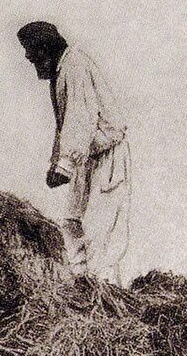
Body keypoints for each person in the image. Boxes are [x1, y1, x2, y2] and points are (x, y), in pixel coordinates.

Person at [16, 20, 131, 283]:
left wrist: (64, 165)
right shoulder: (61, 71)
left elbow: (81, 119)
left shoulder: (74, 66)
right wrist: (58, 162)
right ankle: (79, 292)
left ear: (45, 48)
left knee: (99, 231)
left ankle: (104, 297)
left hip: (106, 157)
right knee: (72, 223)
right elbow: (67, 125)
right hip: (86, 157)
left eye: (32, 53)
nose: (29, 58)